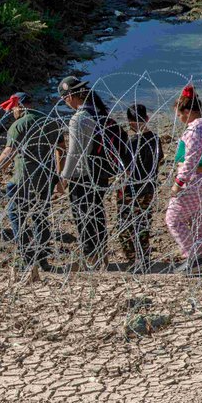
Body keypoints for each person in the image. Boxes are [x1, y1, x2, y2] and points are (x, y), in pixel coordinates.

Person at [0, 92, 64, 281]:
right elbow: (61, 150)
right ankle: (43, 259)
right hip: (46, 177)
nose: (12, 113)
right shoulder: (50, 121)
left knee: (16, 215)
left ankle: (27, 257)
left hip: (23, 178)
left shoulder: (18, 125)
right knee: (40, 216)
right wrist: (60, 179)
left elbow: (9, 151)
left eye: (13, 110)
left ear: (19, 106)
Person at [164, 85, 202, 273]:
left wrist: (178, 183)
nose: (179, 119)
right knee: (199, 219)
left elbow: (191, 159)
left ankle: (194, 258)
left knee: (173, 219)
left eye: (180, 114)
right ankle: (200, 259)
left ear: (187, 111)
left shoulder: (194, 130)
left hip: (195, 179)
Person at [57, 76, 116, 269]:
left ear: (70, 96)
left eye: (65, 98)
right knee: (97, 214)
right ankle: (102, 256)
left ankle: (91, 258)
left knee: (84, 217)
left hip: (83, 176)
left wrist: (64, 178)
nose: (66, 103)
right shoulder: (99, 113)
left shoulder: (79, 118)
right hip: (101, 173)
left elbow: (74, 153)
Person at [117, 103, 163, 273]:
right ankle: (143, 259)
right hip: (149, 188)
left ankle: (132, 261)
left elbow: (125, 170)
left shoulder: (131, 142)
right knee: (143, 224)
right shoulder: (155, 139)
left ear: (129, 122)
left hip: (131, 191)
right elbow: (159, 160)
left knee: (125, 227)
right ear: (147, 118)